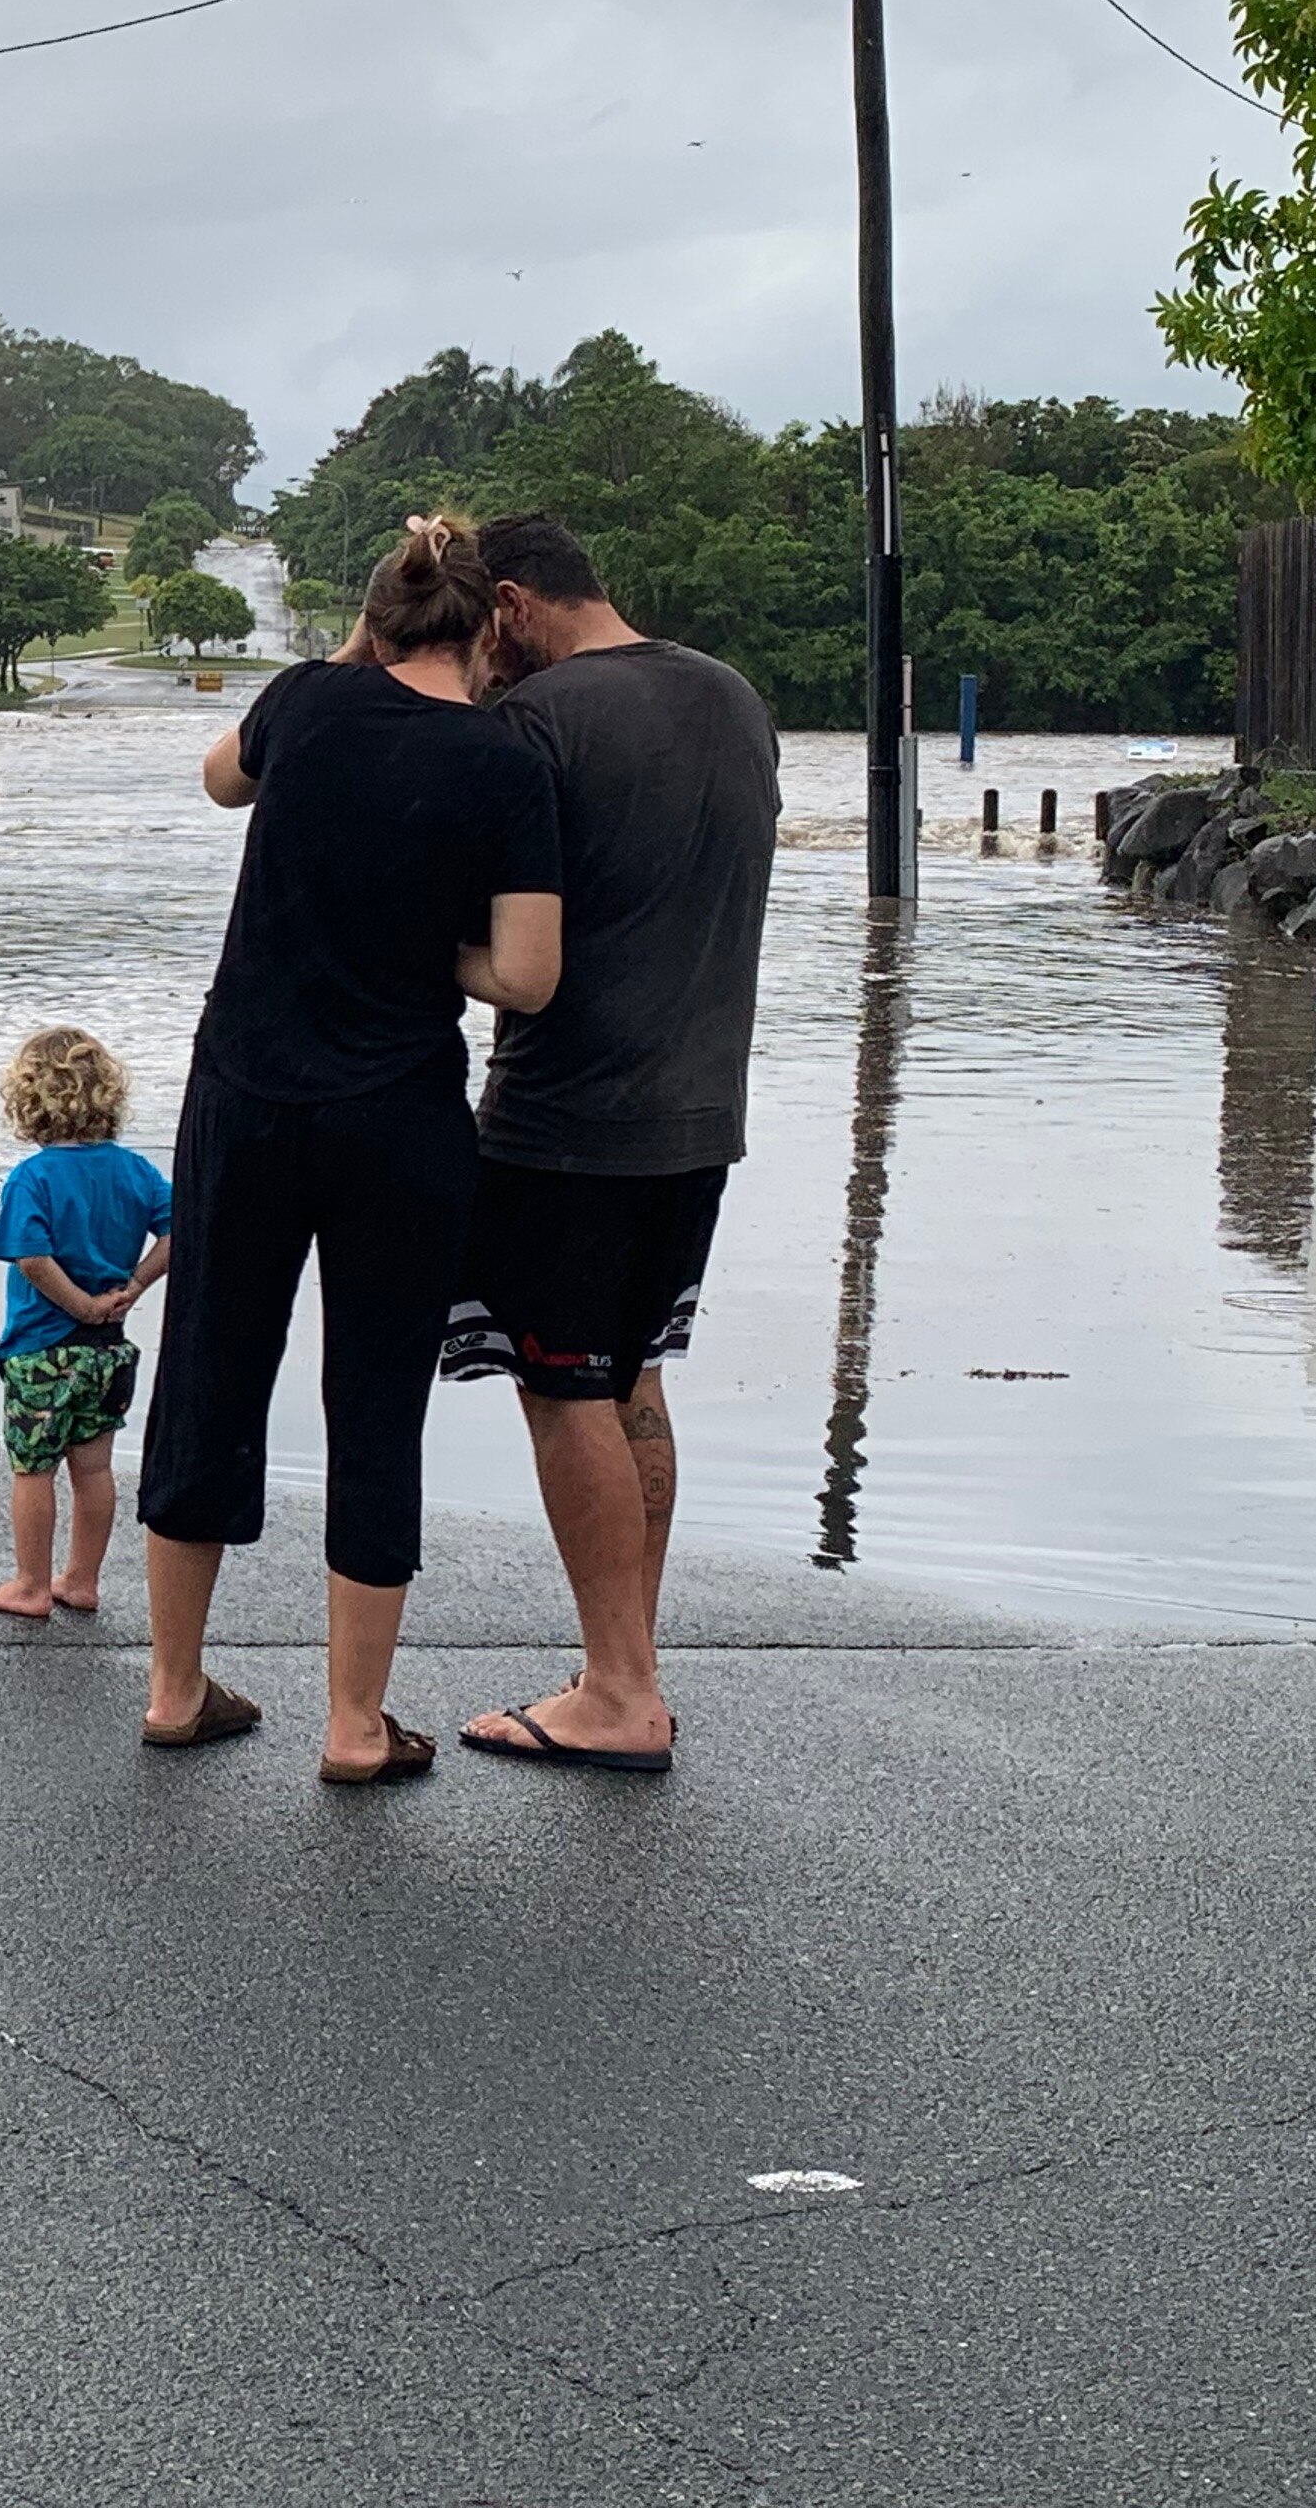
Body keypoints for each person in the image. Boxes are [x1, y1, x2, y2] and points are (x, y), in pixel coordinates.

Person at [138, 518, 561, 1783]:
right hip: (399, 1116)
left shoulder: (304, 707)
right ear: (491, 631)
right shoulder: (506, 762)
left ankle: (173, 1689)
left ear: (373, 622)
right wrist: (434, 951)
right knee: (374, 1406)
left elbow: (221, 778)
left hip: (246, 1097)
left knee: (210, 1369)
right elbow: (530, 980)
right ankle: (355, 1724)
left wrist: (342, 655)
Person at [446, 511, 779, 1774]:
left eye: (486, 631)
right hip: (702, 1113)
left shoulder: (539, 723)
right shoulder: (732, 697)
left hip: (569, 1118)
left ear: (516, 606)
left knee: (565, 1385)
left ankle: (621, 1693)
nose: (483, 654)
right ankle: (623, 1662)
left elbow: (494, 928)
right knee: (634, 1376)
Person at [0, 1028, 174, 1623]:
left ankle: (31, 1584)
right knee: (94, 1467)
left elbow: (31, 1257)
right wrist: (134, 1286)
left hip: (43, 1345)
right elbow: (181, 1230)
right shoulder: (134, 1170)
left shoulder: (33, 1178)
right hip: (108, 1350)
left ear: (28, 1101)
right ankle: (82, 1580)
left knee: (33, 1467)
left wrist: (79, 1305)